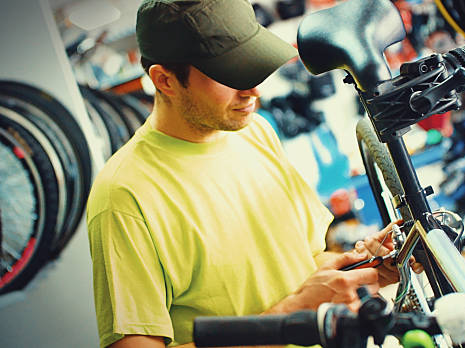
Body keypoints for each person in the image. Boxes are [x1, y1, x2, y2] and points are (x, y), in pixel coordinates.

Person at [87, 1, 416, 347]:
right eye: (230, 76)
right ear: (165, 80)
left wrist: (367, 265)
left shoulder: (254, 131)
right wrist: (294, 312)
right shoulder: (124, 196)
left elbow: (302, 263)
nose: (254, 91)